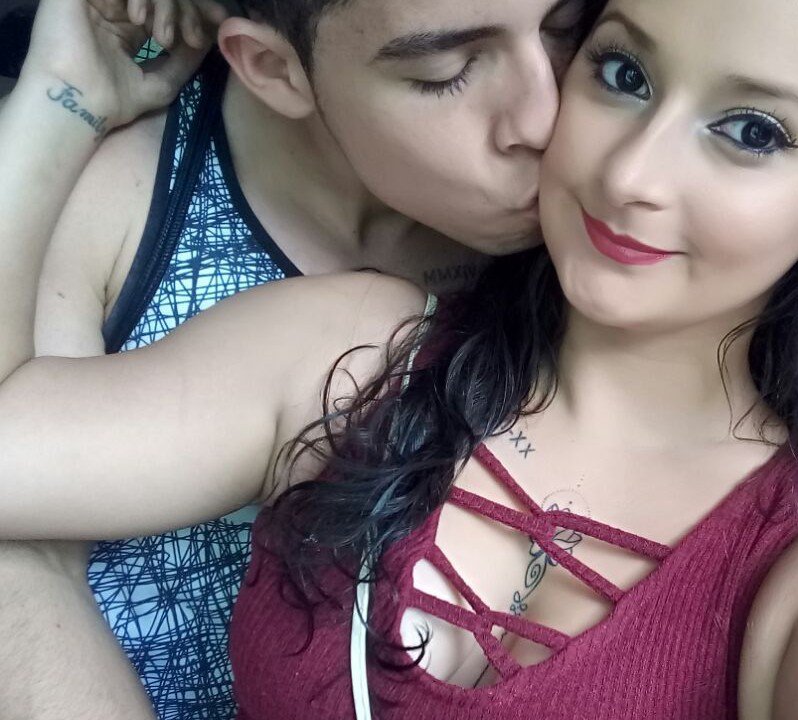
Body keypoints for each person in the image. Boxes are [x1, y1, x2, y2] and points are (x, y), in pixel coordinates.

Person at [2, 0, 798, 718]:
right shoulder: (357, 353)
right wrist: (58, 98)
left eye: (752, 132)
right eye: (623, 72)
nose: (630, 173)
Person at [0, 0, 603, 717]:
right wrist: (61, 96)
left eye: (566, 28)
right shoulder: (117, 193)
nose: (544, 118)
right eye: (446, 70)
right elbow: (24, 561)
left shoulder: (589, 266)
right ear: (273, 67)